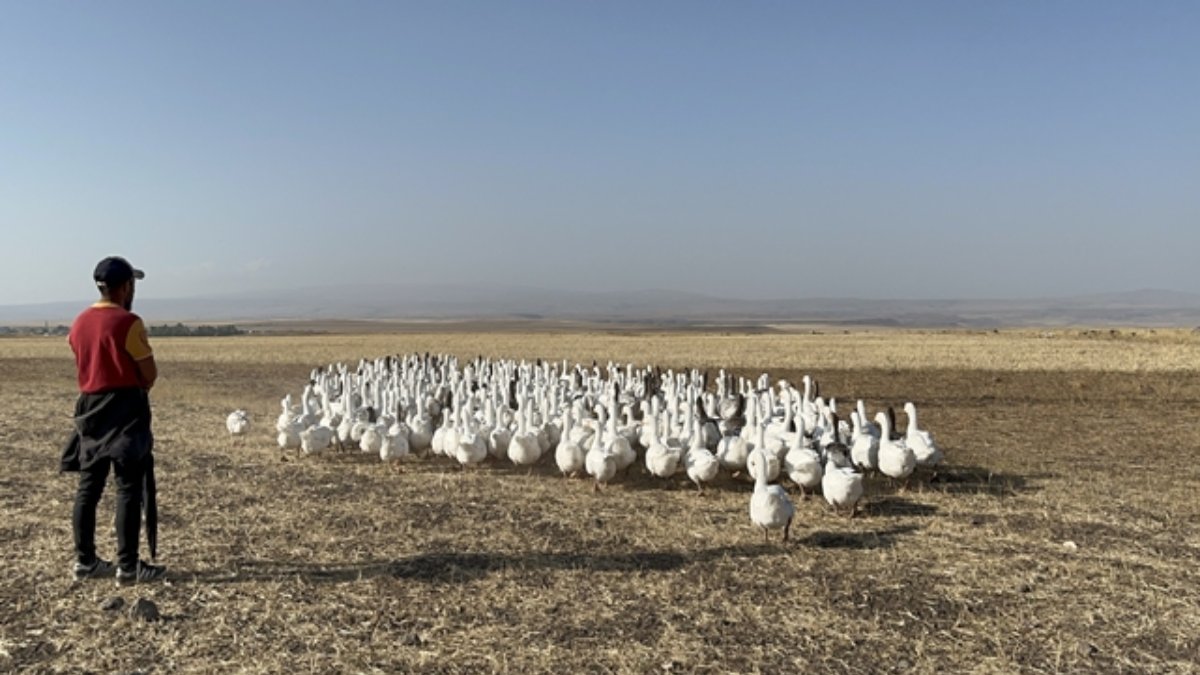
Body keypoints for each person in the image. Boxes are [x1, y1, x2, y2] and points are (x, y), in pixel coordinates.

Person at [62, 256, 166, 585]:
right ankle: (128, 566)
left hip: (90, 409)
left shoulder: (78, 323)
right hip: (125, 409)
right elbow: (149, 373)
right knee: (127, 487)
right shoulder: (129, 322)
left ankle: (85, 561)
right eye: (132, 283)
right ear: (125, 287)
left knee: (88, 487)